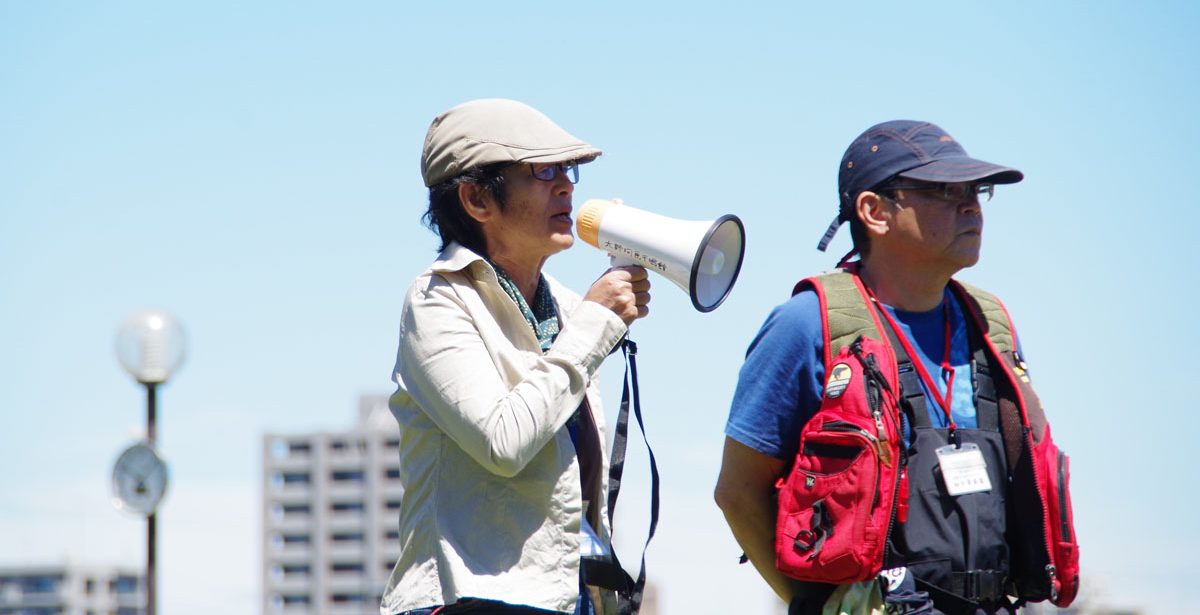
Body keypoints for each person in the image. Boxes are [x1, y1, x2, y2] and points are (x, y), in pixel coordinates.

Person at [715, 120, 1071, 615]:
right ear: (874, 211)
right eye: (945, 190)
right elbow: (738, 491)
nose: (970, 205)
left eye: (977, 190)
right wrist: (820, 606)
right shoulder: (807, 325)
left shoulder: (990, 325)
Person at [380, 99, 651, 615]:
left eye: (567, 171)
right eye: (543, 171)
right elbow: (504, 442)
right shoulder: (437, 300)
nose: (567, 186)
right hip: (468, 600)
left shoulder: (570, 308)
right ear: (477, 199)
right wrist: (596, 325)